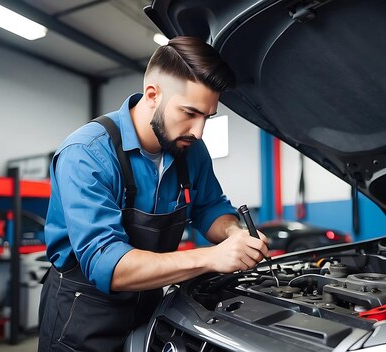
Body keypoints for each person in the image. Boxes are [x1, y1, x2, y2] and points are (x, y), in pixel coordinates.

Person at [38, 36, 270, 351]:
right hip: (81, 314)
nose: (199, 131)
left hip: (148, 308)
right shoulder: (87, 153)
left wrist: (233, 234)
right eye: (189, 112)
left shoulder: (191, 150)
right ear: (152, 95)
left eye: (206, 117)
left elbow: (209, 207)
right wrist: (212, 257)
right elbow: (108, 264)